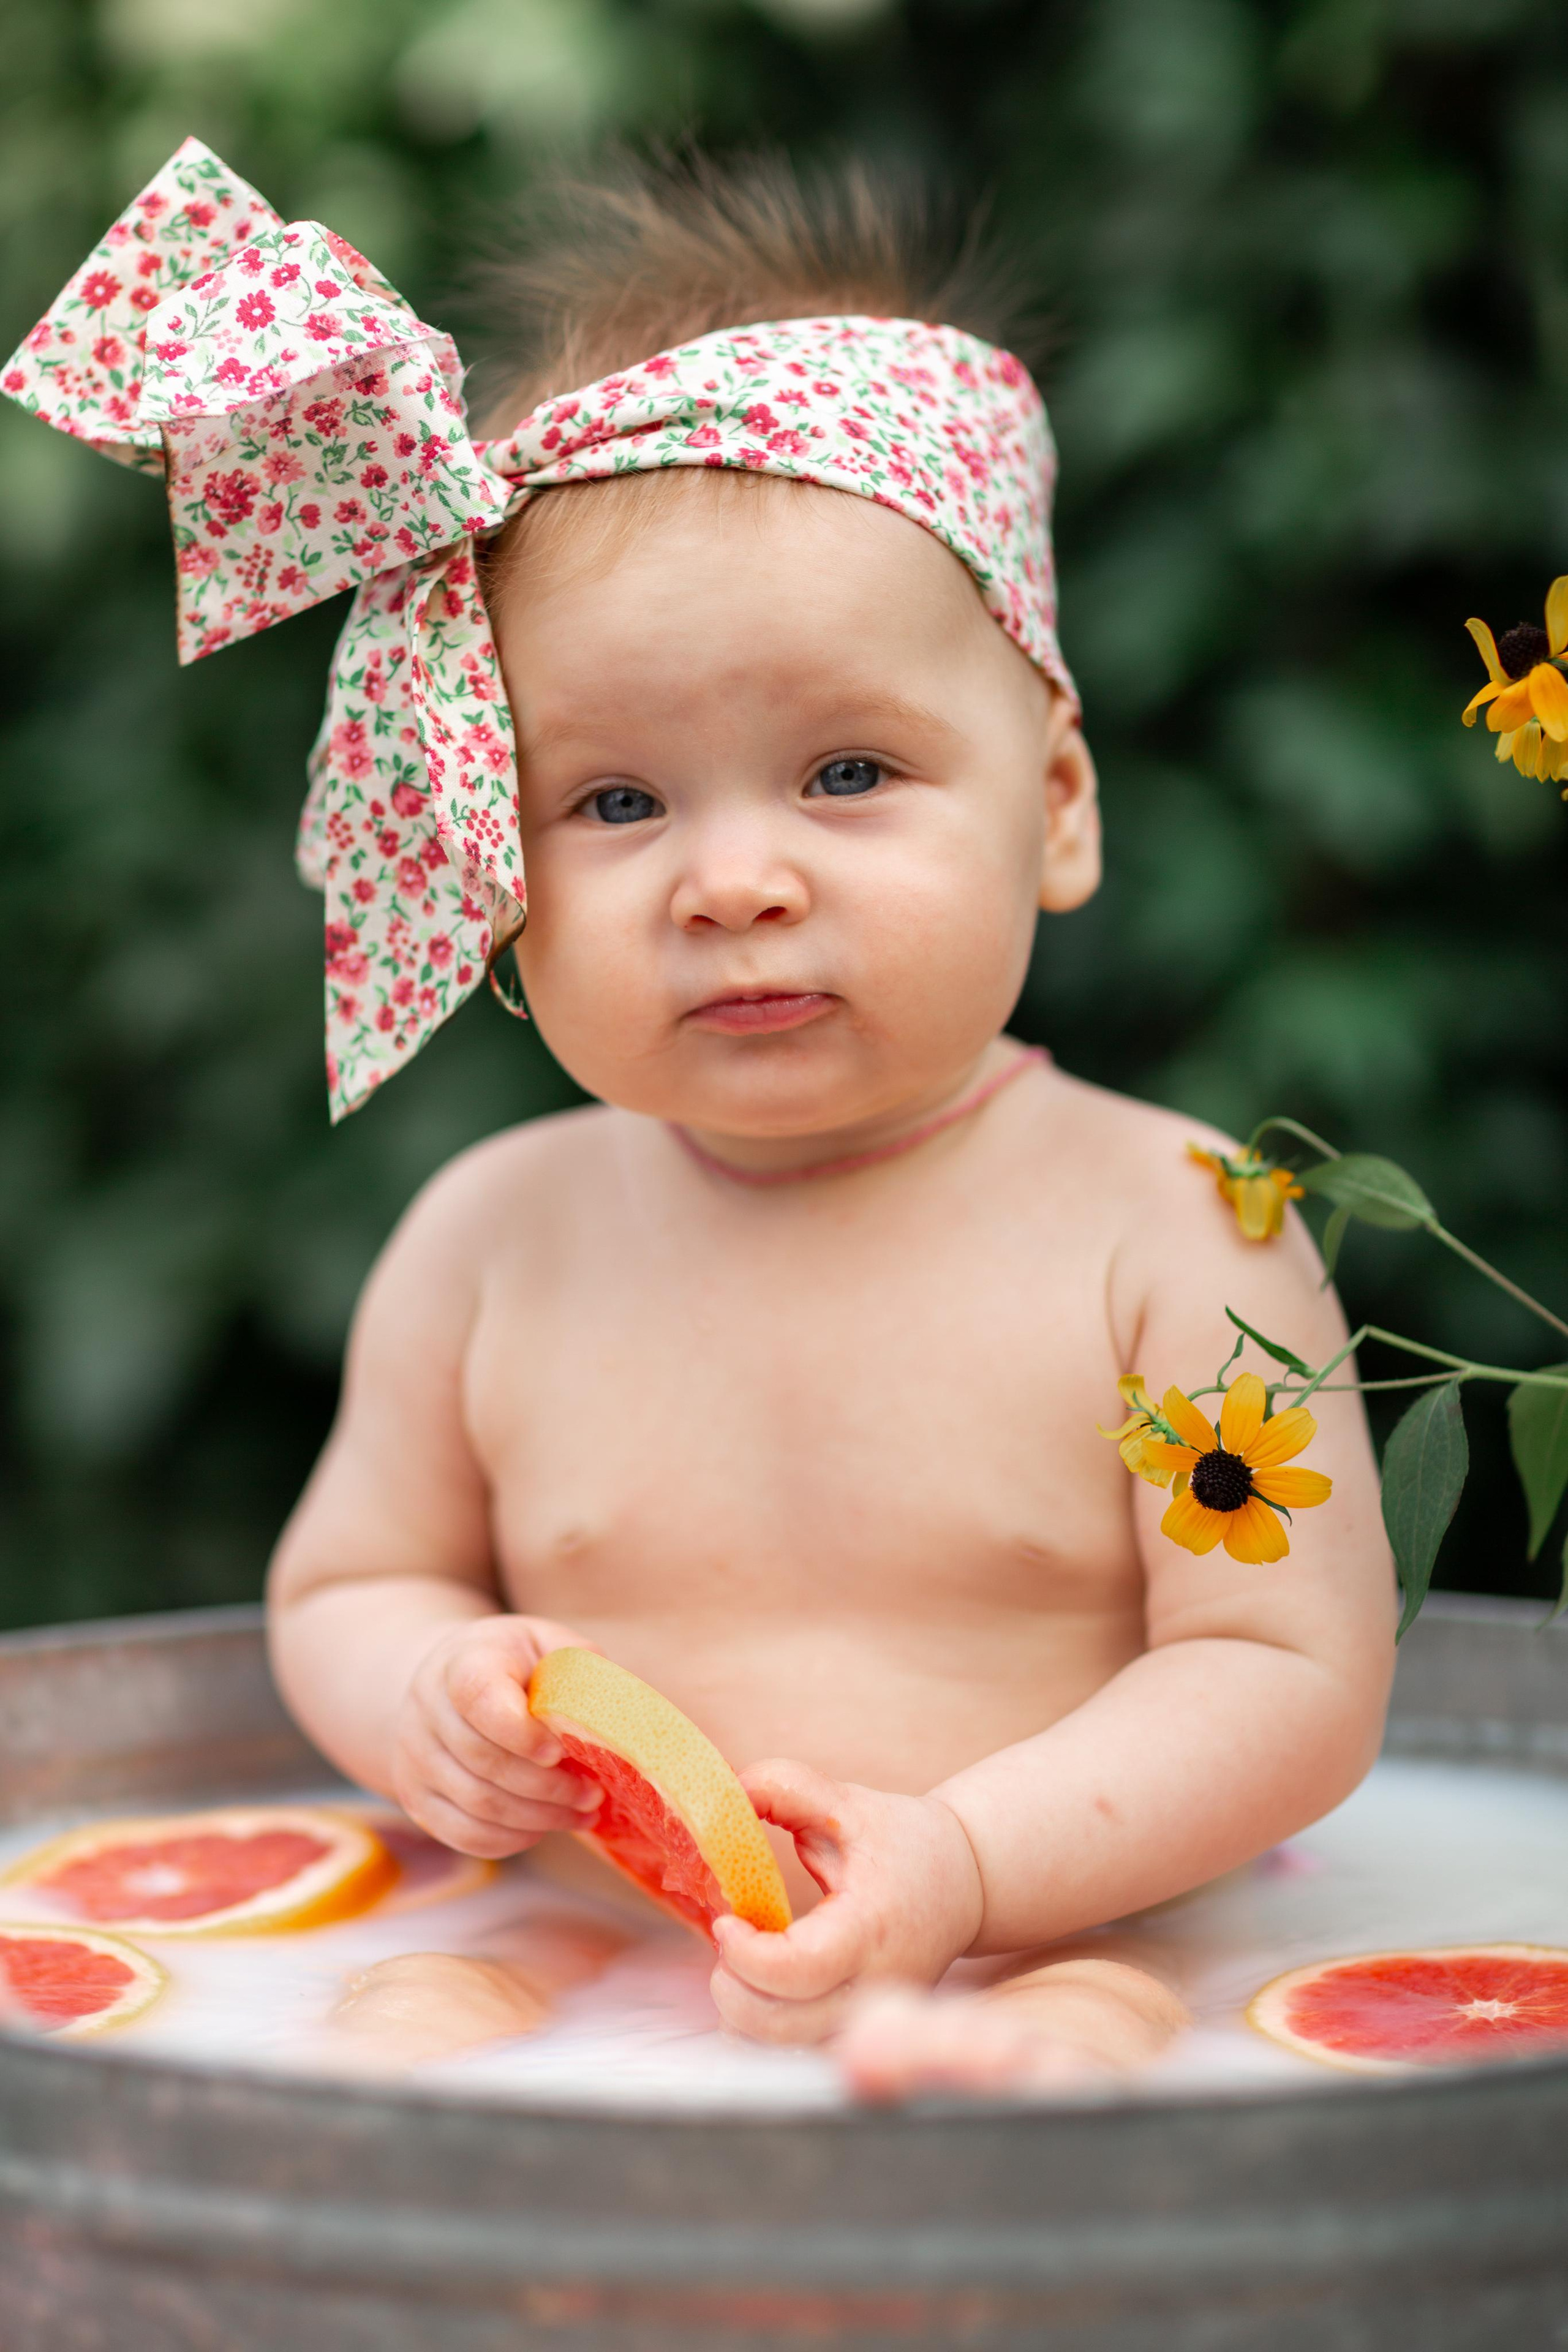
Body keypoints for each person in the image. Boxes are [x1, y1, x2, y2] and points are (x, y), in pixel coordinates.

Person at [9, 146, 1395, 2098]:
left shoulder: (1177, 1225)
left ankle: (1013, 2138)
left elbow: (1289, 1676)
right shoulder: (493, 1238)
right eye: (618, 803)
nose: (730, 880)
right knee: (407, 2029)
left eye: (846, 770)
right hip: (573, 1931)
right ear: (489, 864)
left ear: (1058, 802)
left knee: (1091, 2036)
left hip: (1060, 1933)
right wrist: (423, 1691)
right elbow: (348, 1577)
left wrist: (973, 1865)